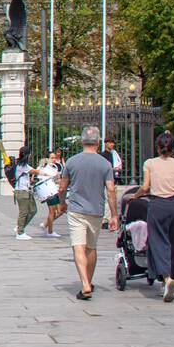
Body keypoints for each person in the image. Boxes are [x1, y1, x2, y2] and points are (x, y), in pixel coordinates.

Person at [59, 125, 120, 301]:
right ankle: (89, 281)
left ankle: (84, 284)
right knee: (91, 248)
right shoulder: (105, 164)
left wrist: (62, 203)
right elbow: (110, 191)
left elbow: (62, 187)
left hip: (77, 210)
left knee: (78, 246)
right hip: (96, 210)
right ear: (98, 141)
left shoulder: (71, 161)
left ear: (81, 141)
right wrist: (114, 215)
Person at [136, 131, 174, 302]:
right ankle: (169, 276)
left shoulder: (150, 163)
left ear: (158, 147)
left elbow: (145, 187)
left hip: (157, 205)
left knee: (158, 241)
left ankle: (166, 278)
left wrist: (135, 196)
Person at [13, 145, 37, 239]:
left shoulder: (24, 165)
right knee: (24, 212)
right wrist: (47, 172)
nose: (31, 155)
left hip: (26, 190)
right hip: (21, 191)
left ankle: (20, 227)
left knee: (33, 210)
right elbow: (35, 171)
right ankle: (20, 232)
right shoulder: (21, 165)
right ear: (27, 154)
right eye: (30, 153)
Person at [39, 150, 64, 238]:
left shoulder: (53, 168)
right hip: (49, 192)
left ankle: (45, 224)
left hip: (54, 191)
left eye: (54, 158)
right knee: (52, 212)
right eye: (52, 158)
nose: (54, 160)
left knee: (60, 210)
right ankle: (50, 231)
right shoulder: (45, 168)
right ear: (47, 159)